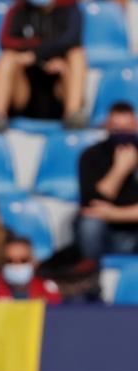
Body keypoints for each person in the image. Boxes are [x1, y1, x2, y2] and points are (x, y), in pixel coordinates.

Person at [0, 0, 86, 130]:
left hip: (58, 88)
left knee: (76, 55)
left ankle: (73, 113)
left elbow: (70, 39)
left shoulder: (70, 8)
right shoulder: (19, 9)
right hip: (24, 90)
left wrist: (37, 55)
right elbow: (5, 40)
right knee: (7, 58)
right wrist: (37, 58)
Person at [77, 102, 138, 261]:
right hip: (104, 233)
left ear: (136, 125)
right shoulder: (91, 155)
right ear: (106, 126)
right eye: (117, 128)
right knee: (90, 224)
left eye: (127, 128)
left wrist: (115, 214)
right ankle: (90, 272)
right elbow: (91, 204)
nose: (122, 133)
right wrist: (120, 169)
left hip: (134, 231)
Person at [0, 236, 62, 302]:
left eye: (23, 260)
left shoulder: (48, 289)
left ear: (33, 262)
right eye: (10, 261)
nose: (16, 266)